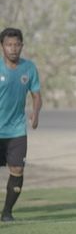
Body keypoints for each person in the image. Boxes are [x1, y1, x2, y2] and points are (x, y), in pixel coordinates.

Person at [0, 28, 41, 222]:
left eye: (16, 44)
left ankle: (7, 212)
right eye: (9, 45)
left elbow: (36, 95)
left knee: (17, 170)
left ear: (22, 46)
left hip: (16, 131)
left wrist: (36, 112)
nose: (13, 49)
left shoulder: (29, 68)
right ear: (2, 47)